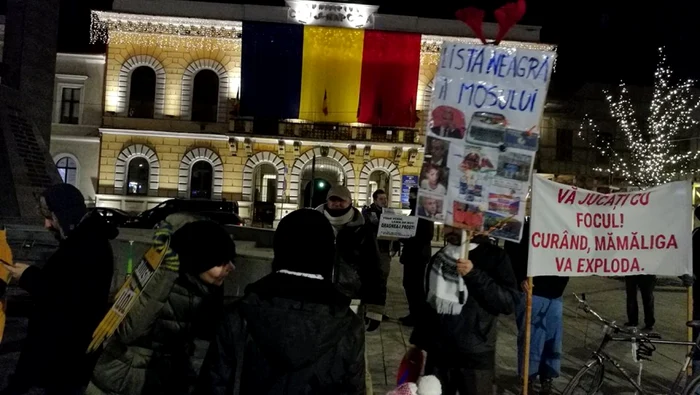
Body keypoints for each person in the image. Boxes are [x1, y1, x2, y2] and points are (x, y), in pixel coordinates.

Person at [197, 209, 366, 394]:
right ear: (328, 257)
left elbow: (213, 386)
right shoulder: (348, 325)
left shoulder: (238, 314)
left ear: (279, 251)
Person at [86, 220, 236, 395]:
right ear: (200, 260)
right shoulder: (162, 278)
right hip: (121, 383)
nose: (231, 268)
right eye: (221, 262)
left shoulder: (204, 290)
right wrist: (165, 274)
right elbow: (127, 331)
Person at [0, 184, 116, 395]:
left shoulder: (87, 246)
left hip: (68, 358)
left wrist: (28, 276)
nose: (46, 224)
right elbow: (64, 284)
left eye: (50, 216)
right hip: (65, 357)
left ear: (65, 214)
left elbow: (66, 299)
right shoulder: (84, 240)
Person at [410, 226, 518, 395]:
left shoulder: (495, 256)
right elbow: (429, 304)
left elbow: (507, 303)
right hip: (439, 353)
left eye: (456, 226)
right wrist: (419, 343)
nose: (448, 231)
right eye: (447, 225)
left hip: (475, 354)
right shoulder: (440, 257)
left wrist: (474, 274)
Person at [505, 218, 568, 395]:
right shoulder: (523, 229)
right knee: (531, 338)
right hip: (533, 291)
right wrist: (519, 279)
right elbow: (510, 253)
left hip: (556, 292)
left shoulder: (563, 226)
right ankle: (528, 378)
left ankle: (547, 376)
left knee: (552, 338)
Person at [316, 185, 385, 331]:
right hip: (317, 298)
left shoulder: (363, 230)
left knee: (348, 344)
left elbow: (374, 268)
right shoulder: (314, 225)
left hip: (352, 300)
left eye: (341, 200)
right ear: (327, 201)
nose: (337, 203)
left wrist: (375, 308)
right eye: (333, 200)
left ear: (350, 202)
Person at [400, 187, 434, 326]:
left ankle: (418, 315)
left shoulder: (424, 214)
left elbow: (426, 236)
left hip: (418, 256)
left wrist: (406, 238)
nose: (410, 199)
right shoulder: (415, 212)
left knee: (415, 286)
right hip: (412, 255)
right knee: (410, 285)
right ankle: (415, 313)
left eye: (413, 196)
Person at [362, 189, 392, 308]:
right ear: (375, 200)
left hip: (384, 251)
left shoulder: (389, 212)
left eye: (385, 199)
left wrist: (394, 245)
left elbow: (394, 230)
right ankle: (368, 307)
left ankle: (379, 309)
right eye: (381, 199)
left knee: (383, 280)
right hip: (371, 251)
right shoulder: (368, 212)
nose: (384, 201)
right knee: (371, 279)